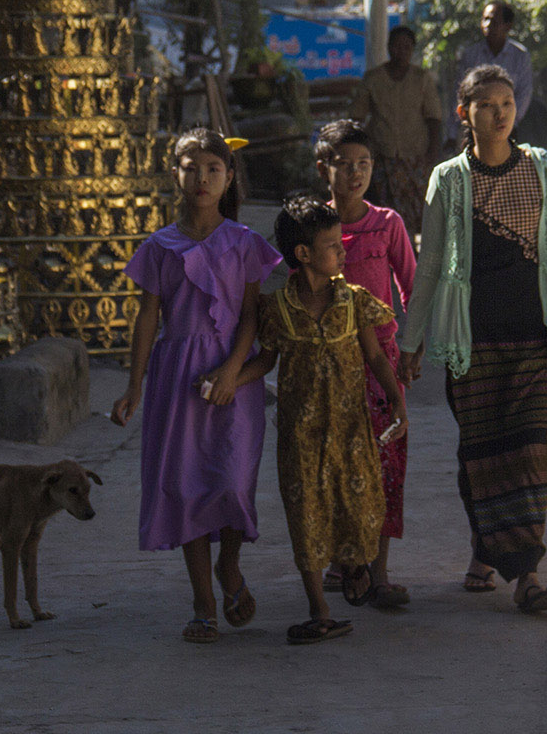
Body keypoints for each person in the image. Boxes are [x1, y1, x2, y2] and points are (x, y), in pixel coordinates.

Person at [399, 65, 547, 613]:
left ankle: (527, 575)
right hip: (470, 340)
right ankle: (486, 546)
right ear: (464, 113)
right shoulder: (449, 179)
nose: (499, 113)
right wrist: (412, 341)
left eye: (507, 104)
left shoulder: (542, 167)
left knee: (526, 451)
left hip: (534, 335)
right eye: (486, 105)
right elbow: (429, 266)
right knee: (480, 453)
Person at [110, 128, 284, 644]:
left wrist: (232, 371)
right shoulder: (158, 246)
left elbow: (251, 315)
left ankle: (229, 568)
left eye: (213, 168)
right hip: (176, 377)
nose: (202, 177)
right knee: (185, 487)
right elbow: (148, 318)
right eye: (191, 167)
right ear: (175, 174)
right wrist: (134, 386)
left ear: (229, 177)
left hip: (235, 374)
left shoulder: (245, 241)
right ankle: (202, 601)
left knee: (231, 483)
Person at [231, 195, 409, 644]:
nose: (342, 252)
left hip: (352, 433)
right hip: (301, 437)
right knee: (305, 516)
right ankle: (319, 609)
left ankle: (353, 565)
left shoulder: (354, 301)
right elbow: (266, 362)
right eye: (332, 245)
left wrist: (396, 399)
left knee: (362, 507)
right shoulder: (276, 309)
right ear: (304, 254)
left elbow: (374, 356)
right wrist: (230, 381)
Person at [311, 120, 416, 608]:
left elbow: (412, 287)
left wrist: (412, 349)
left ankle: (380, 572)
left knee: (385, 463)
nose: (355, 173)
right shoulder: (313, 227)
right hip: (330, 363)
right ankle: (342, 560)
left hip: (382, 363)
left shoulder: (387, 224)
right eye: (343, 164)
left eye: (364, 164)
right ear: (322, 168)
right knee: (335, 462)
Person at [347, 25, 442, 236]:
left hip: (415, 155)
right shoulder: (373, 79)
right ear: (389, 47)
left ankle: (414, 255)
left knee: (420, 209)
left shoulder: (422, 78)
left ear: (413, 50)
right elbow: (357, 116)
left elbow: (434, 117)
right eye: (397, 46)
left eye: (407, 47)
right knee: (387, 210)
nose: (401, 52)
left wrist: (433, 153)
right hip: (383, 155)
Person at [449, 0, 533, 145]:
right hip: (476, 130)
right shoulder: (470, 55)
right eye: (485, 19)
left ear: (508, 26)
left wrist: (508, 122)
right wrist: (455, 132)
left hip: (508, 129)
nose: (488, 25)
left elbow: (524, 93)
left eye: (494, 21)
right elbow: (460, 93)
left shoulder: (520, 55)